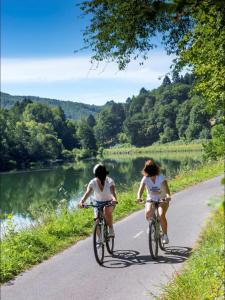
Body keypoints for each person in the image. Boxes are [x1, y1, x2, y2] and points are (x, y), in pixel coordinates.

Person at [137, 159, 171, 244]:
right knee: (148, 212)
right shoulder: (145, 178)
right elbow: (140, 189)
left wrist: (168, 196)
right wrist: (139, 197)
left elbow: (167, 190)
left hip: (162, 199)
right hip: (151, 199)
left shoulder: (161, 177)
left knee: (161, 214)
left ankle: (165, 235)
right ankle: (151, 224)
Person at [79, 163, 117, 237]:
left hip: (110, 202)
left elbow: (112, 192)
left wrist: (114, 199)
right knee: (96, 220)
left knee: (106, 210)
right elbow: (87, 193)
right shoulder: (93, 182)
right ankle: (99, 238)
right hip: (97, 203)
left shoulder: (109, 181)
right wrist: (82, 201)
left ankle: (111, 229)